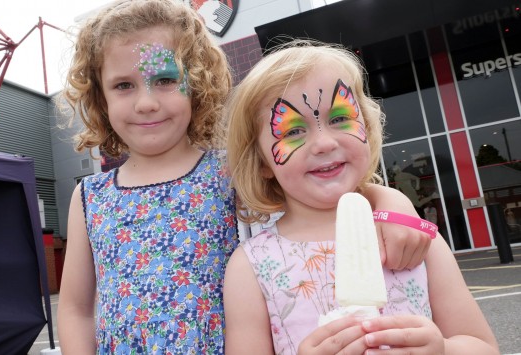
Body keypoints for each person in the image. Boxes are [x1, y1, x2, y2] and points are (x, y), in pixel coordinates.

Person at [56, 1, 433, 353]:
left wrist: (394, 205)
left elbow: (326, 193)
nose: (146, 101)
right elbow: (76, 308)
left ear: (197, 82)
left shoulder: (230, 170)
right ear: (99, 96)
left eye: (167, 80)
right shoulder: (90, 196)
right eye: (124, 85)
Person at [223, 40, 499, 355]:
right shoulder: (249, 266)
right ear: (261, 163)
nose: (324, 143)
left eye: (339, 118)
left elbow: (484, 347)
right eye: (292, 131)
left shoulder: (413, 237)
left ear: (366, 127)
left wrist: (443, 349)